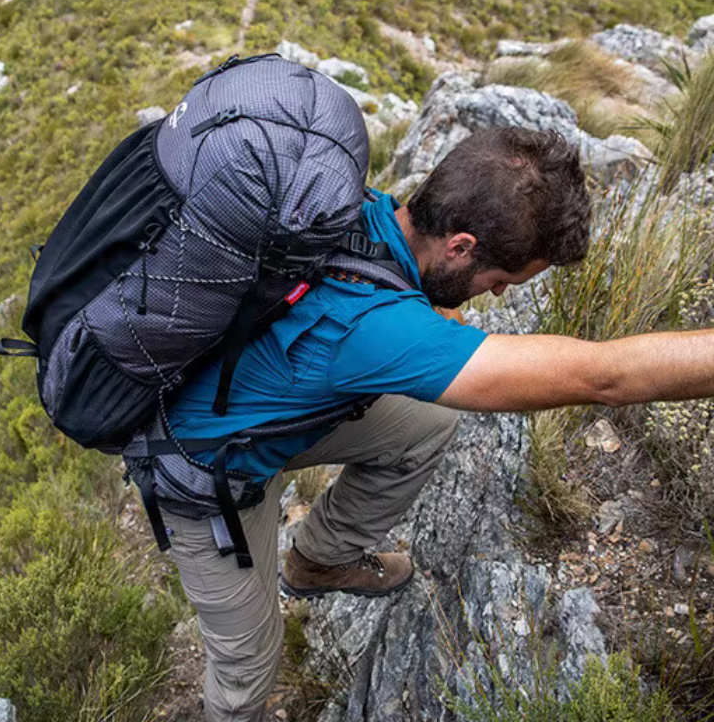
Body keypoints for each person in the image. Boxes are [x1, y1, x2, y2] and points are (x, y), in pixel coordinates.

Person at [161, 125, 714, 721]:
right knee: (247, 668)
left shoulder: (362, 208)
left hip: (251, 403)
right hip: (207, 472)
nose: (496, 297)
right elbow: (604, 378)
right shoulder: (377, 331)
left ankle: (318, 560)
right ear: (460, 246)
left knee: (424, 425)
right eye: (499, 281)